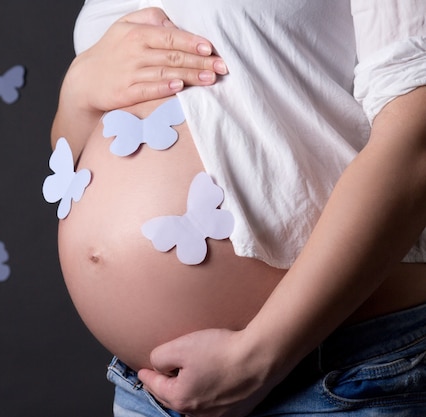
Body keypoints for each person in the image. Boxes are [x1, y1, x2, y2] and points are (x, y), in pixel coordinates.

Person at [49, 1, 426, 416]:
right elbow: (78, 156)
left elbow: (414, 145)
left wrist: (257, 358)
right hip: (150, 390)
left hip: (338, 375)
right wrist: (77, 93)